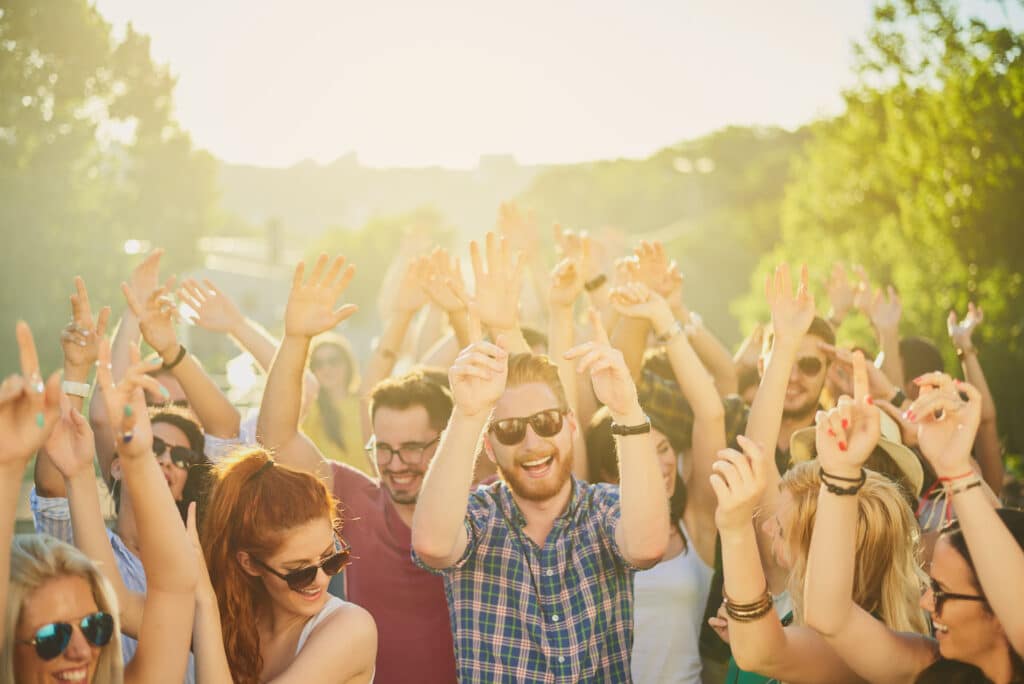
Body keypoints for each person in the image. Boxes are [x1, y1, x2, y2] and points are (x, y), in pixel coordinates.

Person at [412, 304, 670, 681]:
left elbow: (647, 548)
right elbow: (432, 545)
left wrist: (627, 410)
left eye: (546, 423)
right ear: (488, 445)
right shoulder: (476, 518)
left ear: (570, 426)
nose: (532, 443)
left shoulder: (605, 508)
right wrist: (468, 415)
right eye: (511, 430)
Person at [258, 253, 459, 683]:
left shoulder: (483, 508)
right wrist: (295, 339)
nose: (394, 465)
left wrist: (459, 313)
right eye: (382, 448)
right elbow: (275, 438)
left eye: (412, 449)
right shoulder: (354, 498)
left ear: (446, 443)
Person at [4, 323, 199, 684]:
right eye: (51, 637)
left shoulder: (196, 556)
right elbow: (52, 486)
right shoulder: (80, 548)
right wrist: (10, 468)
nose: (81, 649)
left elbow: (174, 591)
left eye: (97, 626)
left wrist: (139, 454)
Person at [803, 370, 1024, 683]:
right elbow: (829, 617)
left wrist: (957, 470)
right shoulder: (929, 666)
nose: (924, 602)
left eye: (942, 593)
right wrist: (839, 475)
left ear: (1000, 609)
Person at [192, 449, 377, 684]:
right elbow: (133, 611)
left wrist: (204, 603)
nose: (320, 580)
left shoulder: (351, 628)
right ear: (249, 564)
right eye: (300, 572)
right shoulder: (238, 613)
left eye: (331, 559)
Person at [302, 333, 373, 474]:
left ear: (348, 363)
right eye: (318, 364)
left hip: (368, 490)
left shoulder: (366, 403)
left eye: (333, 361)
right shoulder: (309, 409)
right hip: (328, 493)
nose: (326, 368)